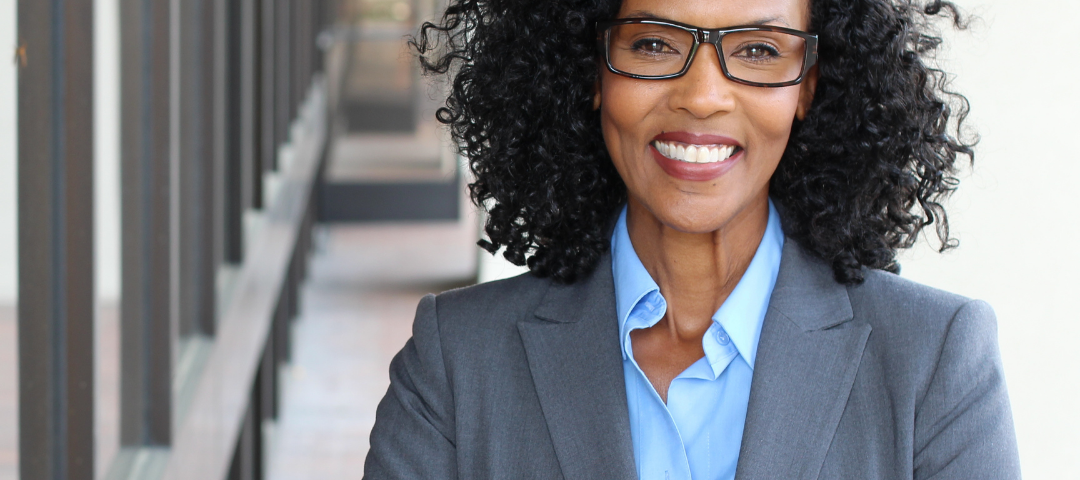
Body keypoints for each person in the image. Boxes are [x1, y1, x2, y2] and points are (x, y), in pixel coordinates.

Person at [364, 0, 1021, 478]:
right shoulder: (456, 361)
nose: (703, 95)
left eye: (759, 51)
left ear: (811, 86)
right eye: (653, 43)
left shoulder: (933, 361)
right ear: (592, 71)